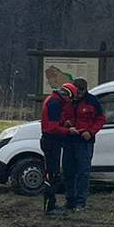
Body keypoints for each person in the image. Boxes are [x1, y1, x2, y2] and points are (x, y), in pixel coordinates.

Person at [39, 80, 76, 215]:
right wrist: (68, 130)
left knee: (52, 172)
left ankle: (51, 204)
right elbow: (52, 127)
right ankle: (50, 206)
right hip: (51, 141)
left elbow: (53, 122)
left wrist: (63, 122)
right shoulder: (55, 103)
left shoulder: (53, 100)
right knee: (52, 173)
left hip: (50, 141)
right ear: (67, 95)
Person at [67, 76, 105, 211]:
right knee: (68, 171)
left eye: (80, 93)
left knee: (83, 172)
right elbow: (63, 116)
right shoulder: (68, 100)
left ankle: (80, 201)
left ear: (85, 91)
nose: (77, 95)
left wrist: (91, 132)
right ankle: (70, 200)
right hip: (70, 139)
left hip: (85, 141)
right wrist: (66, 124)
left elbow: (100, 119)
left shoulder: (92, 101)